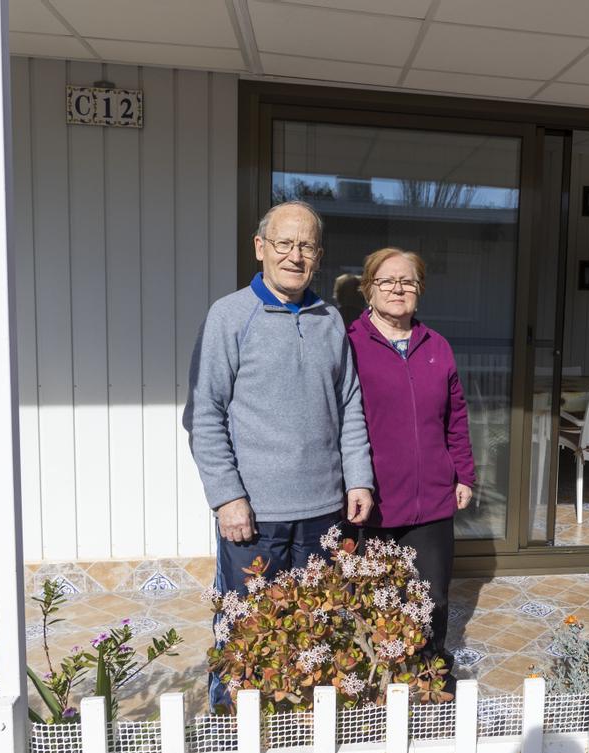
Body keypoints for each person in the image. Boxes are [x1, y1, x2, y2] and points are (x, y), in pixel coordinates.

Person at [183, 200, 374, 708]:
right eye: (285, 243)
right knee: (245, 635)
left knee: (316, 631)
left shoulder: (330, 318)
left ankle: (302, 732)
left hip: (323, 512)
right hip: (255, 517)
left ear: (318, 255)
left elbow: (349, 403)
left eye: (307, 246)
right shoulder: (229, 316)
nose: (295, 255)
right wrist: (227, 498)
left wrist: (358, 479)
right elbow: (205, 413)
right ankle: (232, 736)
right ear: (260, 248)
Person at [346, 247, 475, 670]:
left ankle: (430, 670)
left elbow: (456, 417)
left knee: (433, 596)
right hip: (377, 499)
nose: (397, 289)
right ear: (369, 289)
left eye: (408, 281)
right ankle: (380, 677)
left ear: (419, 291)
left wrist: (464, 475)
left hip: (433, 498)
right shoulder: (350, 345)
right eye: (386, 281)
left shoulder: (437, 345)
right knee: (378, 597)